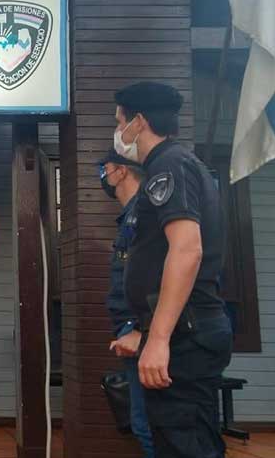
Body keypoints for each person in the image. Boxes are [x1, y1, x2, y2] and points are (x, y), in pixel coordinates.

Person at [113, 81, 232, 458]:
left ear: (139, 122)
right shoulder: (171, 165)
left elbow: (186, 249)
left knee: (186, 444)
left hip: (186, 334)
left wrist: (160, 338)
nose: (118, 132)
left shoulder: (170, 165)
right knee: (177, 441)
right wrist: (145, 331)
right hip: (182, 329)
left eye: (119, 122)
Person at [99, 149, 154, 458]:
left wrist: (138, 329)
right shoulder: (132, 215)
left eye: (105, 169)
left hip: (143, 334)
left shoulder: (144, 213)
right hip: (137, 332)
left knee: (150, 426)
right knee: (144, 423)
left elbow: (154, 274)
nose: (103, 176)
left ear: (121, 171)